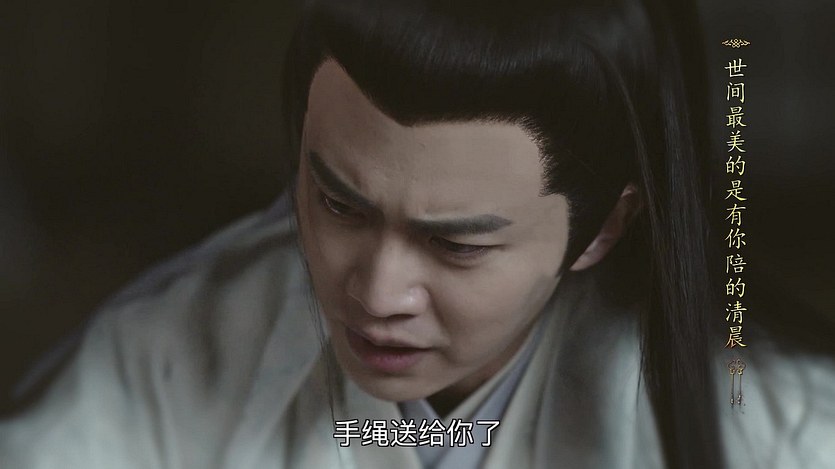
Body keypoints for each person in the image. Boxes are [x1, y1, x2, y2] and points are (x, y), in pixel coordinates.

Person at [2, 0, 834, 468]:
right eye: (339, 205)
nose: (374, 292)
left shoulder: (777, 430)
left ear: (603, 227)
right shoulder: (162, 357)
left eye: (456, 245)